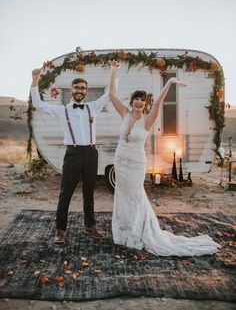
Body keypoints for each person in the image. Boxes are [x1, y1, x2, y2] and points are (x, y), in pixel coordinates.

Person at [109, 61, 221, 256]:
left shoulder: (146, 120)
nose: (139, 102)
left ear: (145, 104)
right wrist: (113, 71)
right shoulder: (125, 114)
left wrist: (169, 84)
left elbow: (159, 102)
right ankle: (124, 229)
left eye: (142, 100)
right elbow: (112, 95)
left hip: (135, 164)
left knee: (135, 196)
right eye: (136, 98)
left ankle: (136, 231)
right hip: (120, 161)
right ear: (132, 101)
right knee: (122, 196)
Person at [31, 68, 111, 244]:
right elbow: (38, 104)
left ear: (86, 91)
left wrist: (114, 71)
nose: (79, 90)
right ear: (71, 89)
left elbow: (110, 94)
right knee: (65, 192)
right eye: (76, 87)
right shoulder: (62, 111)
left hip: (91, 152)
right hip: (73, 153)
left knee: (88, 191)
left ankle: (90, 225)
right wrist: (35, 80)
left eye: (83, 87)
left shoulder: (93, 107)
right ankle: (60, 230)